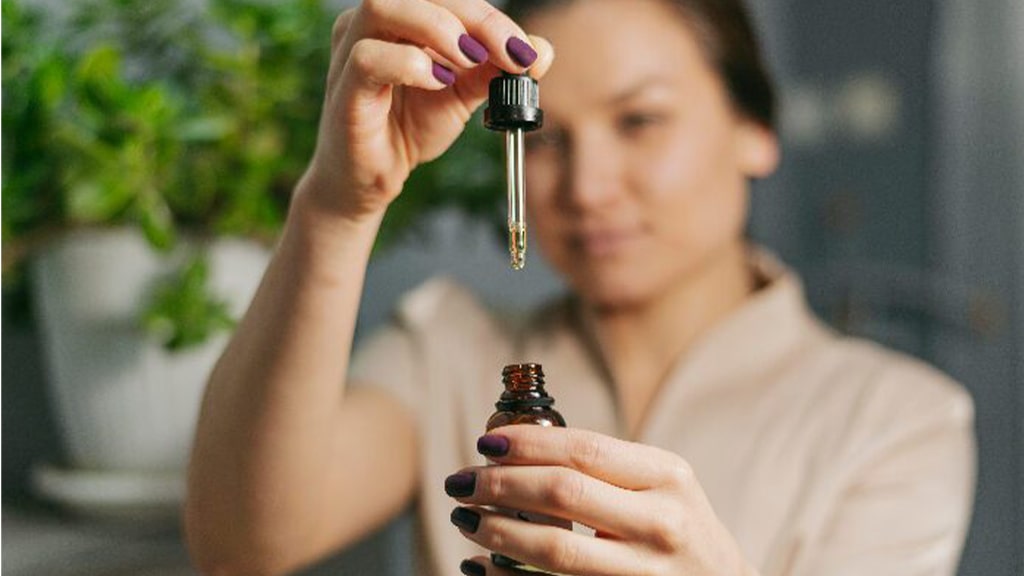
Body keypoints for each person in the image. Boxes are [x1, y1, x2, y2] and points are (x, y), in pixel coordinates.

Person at [184, 0, 976, 574]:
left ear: (755, 130)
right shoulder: (450, 346)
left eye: (639, 122)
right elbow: (243, 544)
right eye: (550, 139)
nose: (587, 188)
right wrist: (336, 205)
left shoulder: (897, 419)